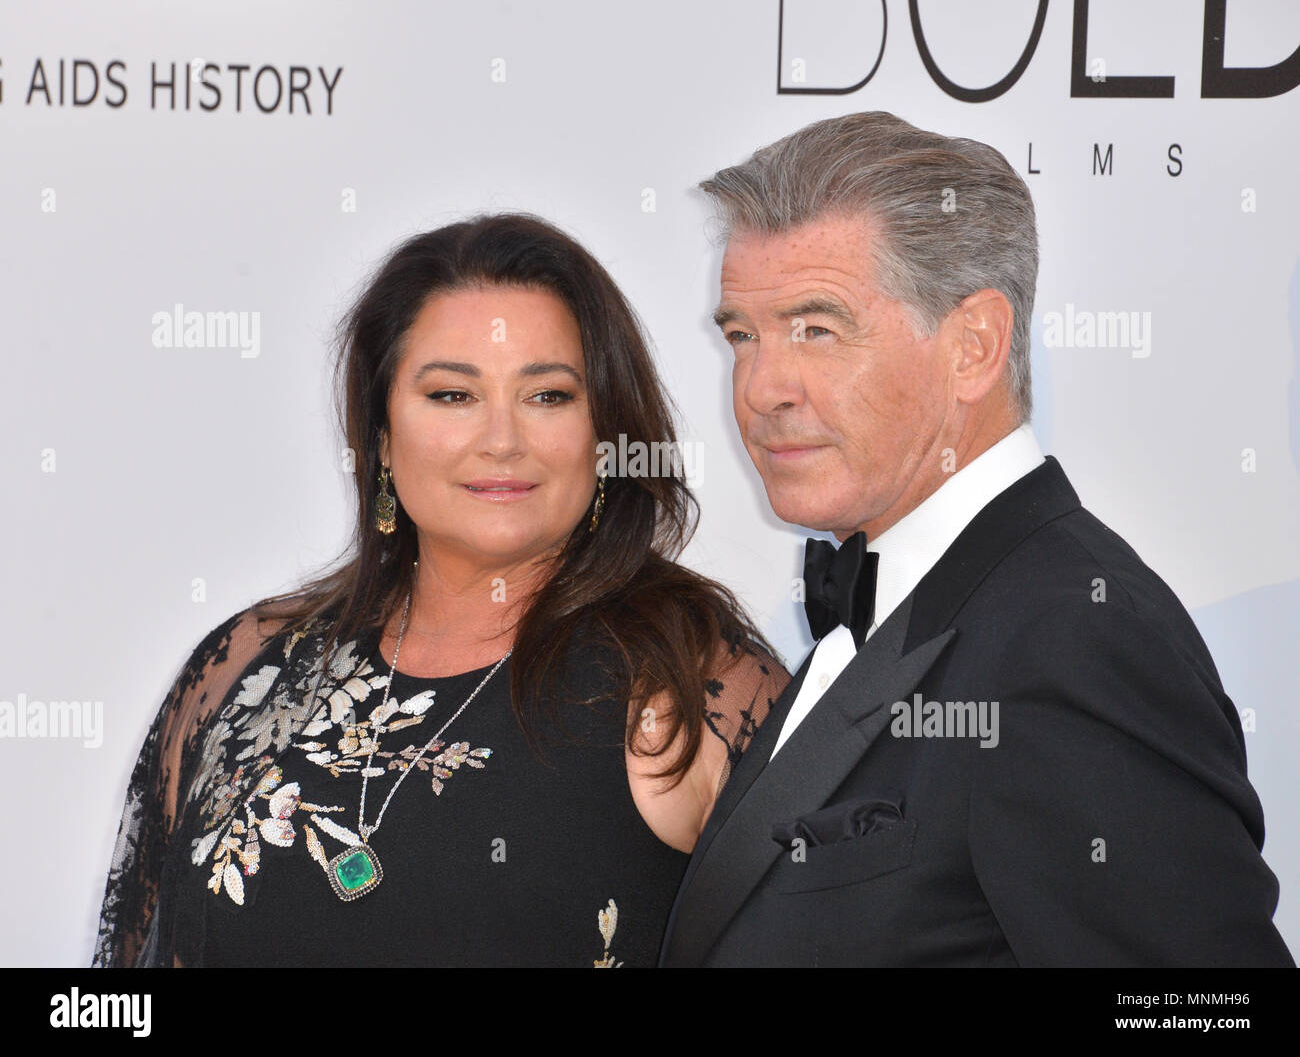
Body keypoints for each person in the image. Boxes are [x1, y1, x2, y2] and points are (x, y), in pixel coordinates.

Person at [659, 111, 1295, 967]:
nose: (762, 387)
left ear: (974, 346)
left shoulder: (1076, 639)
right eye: (743, 335)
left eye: (817, 328)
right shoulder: (893, 602)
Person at [92, 212, 789, 968]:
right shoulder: (247, 668)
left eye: (548, 396)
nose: (501, 439)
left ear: (606, 429)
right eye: (453, 395)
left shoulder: (686, 676)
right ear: (383, 436)